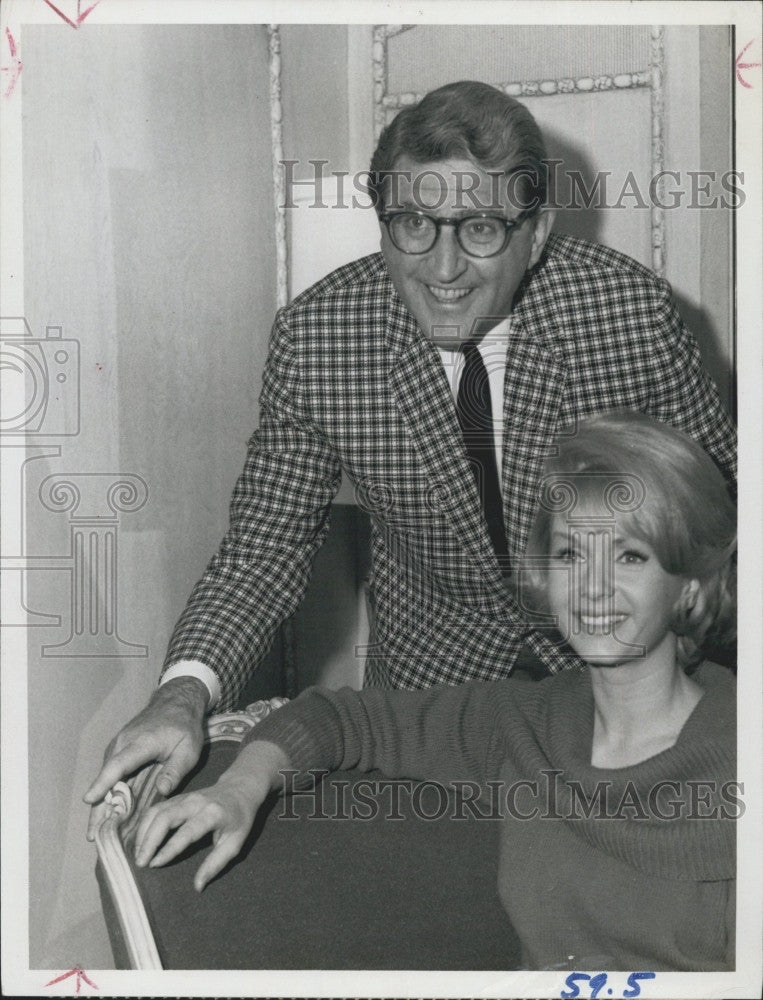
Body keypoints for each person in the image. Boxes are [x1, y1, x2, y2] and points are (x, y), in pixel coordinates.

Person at [85, 80, 736, 831]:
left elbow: (724, 517)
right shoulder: (319, 340)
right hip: (432, 700)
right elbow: (262, 551)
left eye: (482, 227)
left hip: (635, 690)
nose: (443, 266)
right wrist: (181, 695)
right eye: (412, 225)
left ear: (538, 231)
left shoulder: (628, 315)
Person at [131, 412, 738, 972]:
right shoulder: (525, 722)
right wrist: (239, 787)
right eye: (572, 553)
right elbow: (340, 719)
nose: (594, 588)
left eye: (630, 556)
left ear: (689, 587)